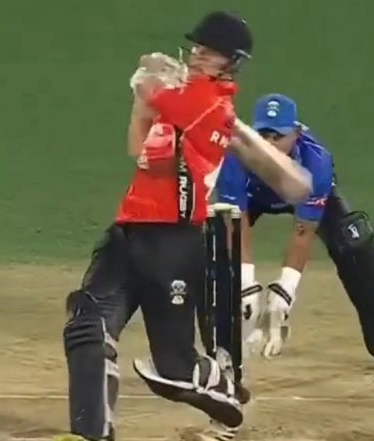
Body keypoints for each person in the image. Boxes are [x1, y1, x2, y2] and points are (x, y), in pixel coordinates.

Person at [56, 10, 313, 441]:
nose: (196, 55)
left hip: (173, 245)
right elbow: (138, 147)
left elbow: (162, 91)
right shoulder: (184, 99)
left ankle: (219, 386)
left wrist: (150, 79)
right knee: (87, 327)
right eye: (196, 48)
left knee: (174, 368)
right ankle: (91, 434)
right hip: (128, 231)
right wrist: (142, 100)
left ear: (231, 61)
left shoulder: (213, 108)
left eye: (208, 52)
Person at [216, 93, 374, 359]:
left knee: (357, 248)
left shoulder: (316, 161)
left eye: (277, 137)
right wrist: (246, 282)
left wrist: (285, 289)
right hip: (254, 198)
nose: (268, 144)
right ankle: (222, 343)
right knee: (212, 245)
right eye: (262, 135)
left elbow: (304, 231)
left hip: (301, 191)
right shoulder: (235, 156)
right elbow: (236, 223)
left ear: (297, 134)